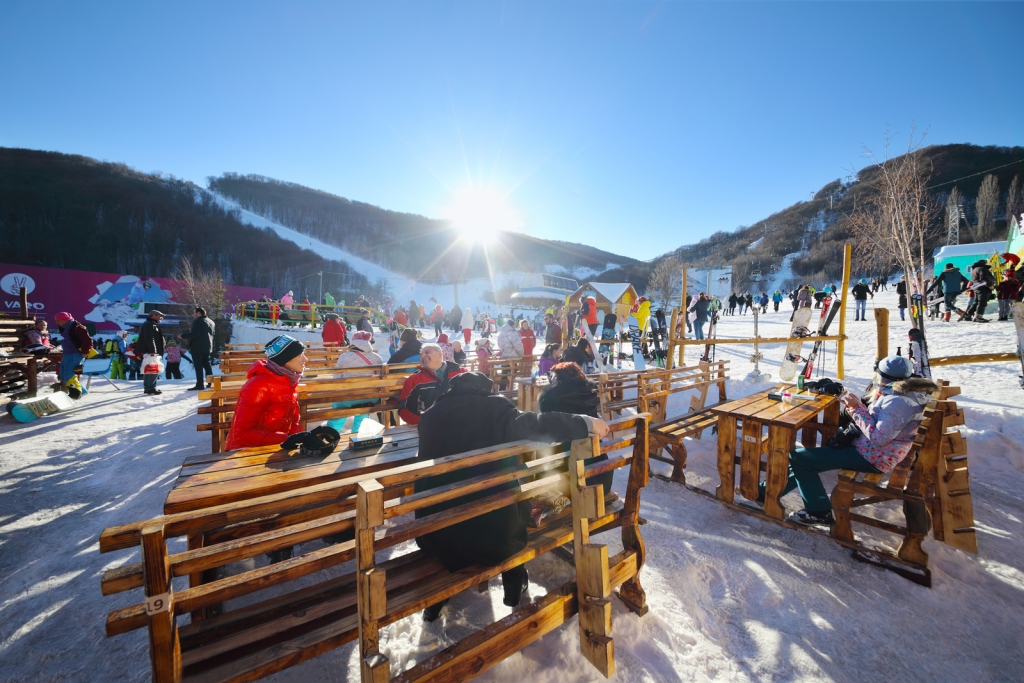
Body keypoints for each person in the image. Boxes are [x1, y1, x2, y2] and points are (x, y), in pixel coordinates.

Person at [414, 371, 609, 621]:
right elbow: (537, 424)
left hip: (433, 536)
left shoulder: (430, 416)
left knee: (473, 499)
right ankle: (515, 585)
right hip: (493, 539)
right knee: (513, 503)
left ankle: (436, 601)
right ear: (485, 391)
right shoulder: (494, 408)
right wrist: (585, 422)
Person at [757, 355, 937, 525]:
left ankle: (818, 512)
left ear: (884, 377)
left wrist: (856, 409)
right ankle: (766, 492)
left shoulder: (898, 401)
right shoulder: (902, 393)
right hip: (876, 450)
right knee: (806, 458)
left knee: (799, 458)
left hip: (874, 456)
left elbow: (879, 437)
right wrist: (856, 407)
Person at [538, 362, 614, 495]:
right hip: (602, 478)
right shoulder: (589, 395)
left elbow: (545, 435)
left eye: (552, 377)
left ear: (557, 380)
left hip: (570, 484)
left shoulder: (549, 399)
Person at [225, 335, 307, 453]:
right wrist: (287, 438)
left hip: (274, 448)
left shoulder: (289, 381)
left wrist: (301, 438)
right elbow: (242, 434)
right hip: (244, 453)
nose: (305, 359)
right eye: (300, 355)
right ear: (285, 359)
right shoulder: (258, 385)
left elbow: (294, 420)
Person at [327, 330, 384, 434]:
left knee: (339, 405)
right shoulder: (377, 358)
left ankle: (331, 434)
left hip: (348, 397)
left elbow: (336, 378)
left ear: (354, 342)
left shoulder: (344, 356)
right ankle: (357, 434)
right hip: (370, 397)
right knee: (362, 410)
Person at [397, 343, 466, 424]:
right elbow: (404, 408)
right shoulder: (415, 379)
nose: (423, 356)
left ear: (440, 354)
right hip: (432, 425)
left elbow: (476, 397)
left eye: (427, 352)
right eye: (421, 354)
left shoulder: (461, 373)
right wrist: (425, 421)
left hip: (461, 423)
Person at [53, 312, 94, 389]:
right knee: (64, 374)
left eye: (58, 320)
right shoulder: (65, 327)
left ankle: (76, 393)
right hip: (67, 354)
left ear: (65, 320)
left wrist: (85, 352)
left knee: (70, 375)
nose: (56, 322)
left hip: (75, 355)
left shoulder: (78, 328)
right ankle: (81, 391)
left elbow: (88, 340)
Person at [183, 307, 216, 391]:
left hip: (197, 347)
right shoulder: (211, 321)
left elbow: (195, 334)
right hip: (207, 346)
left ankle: (199, 384)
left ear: (198, 313)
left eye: (194, 312)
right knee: (207, 365)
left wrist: (183, 336)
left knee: (198, 366)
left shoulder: (198, 321)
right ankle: (210, 382)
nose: (193, 314)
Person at [137, 309, 166, 395]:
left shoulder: (151, 324)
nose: (161, 318)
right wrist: (152, 351)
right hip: (151, 352)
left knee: (149, 369)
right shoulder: (149, 324)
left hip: (150, 351)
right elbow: (149, 338)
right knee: (152, 369)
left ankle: (149, 387)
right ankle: (151, 387)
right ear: (153, 315)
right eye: (160, 315)